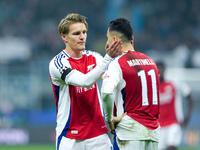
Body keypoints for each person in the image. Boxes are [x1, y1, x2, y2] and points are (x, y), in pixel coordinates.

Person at [49, 13, 122, 150]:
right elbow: (84, 81)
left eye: (84, 32)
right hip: (69, 135)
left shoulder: (95, 57)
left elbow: (113, 81)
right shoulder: (58, 63)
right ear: (64, 36)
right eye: (76, 33)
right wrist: (108, 58)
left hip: (98, 135)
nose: (82, 37)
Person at [101, 18, 160, 150]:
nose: (107, 42)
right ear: (132, 40)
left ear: (115, 40)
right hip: (153, 134)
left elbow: (106, 92)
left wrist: (110, 119)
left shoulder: (117, 64)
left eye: (108, 38)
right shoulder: (151, 63)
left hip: (129, 133)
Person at [156, 61, 194, 150]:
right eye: (157, 70)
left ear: (165, 70)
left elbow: (190, 96)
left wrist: (187, 116)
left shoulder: (174, 82)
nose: (159, 72)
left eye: (161, 69)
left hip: (174, 123)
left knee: (172, 147)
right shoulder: (152, 86)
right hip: (159, 126)